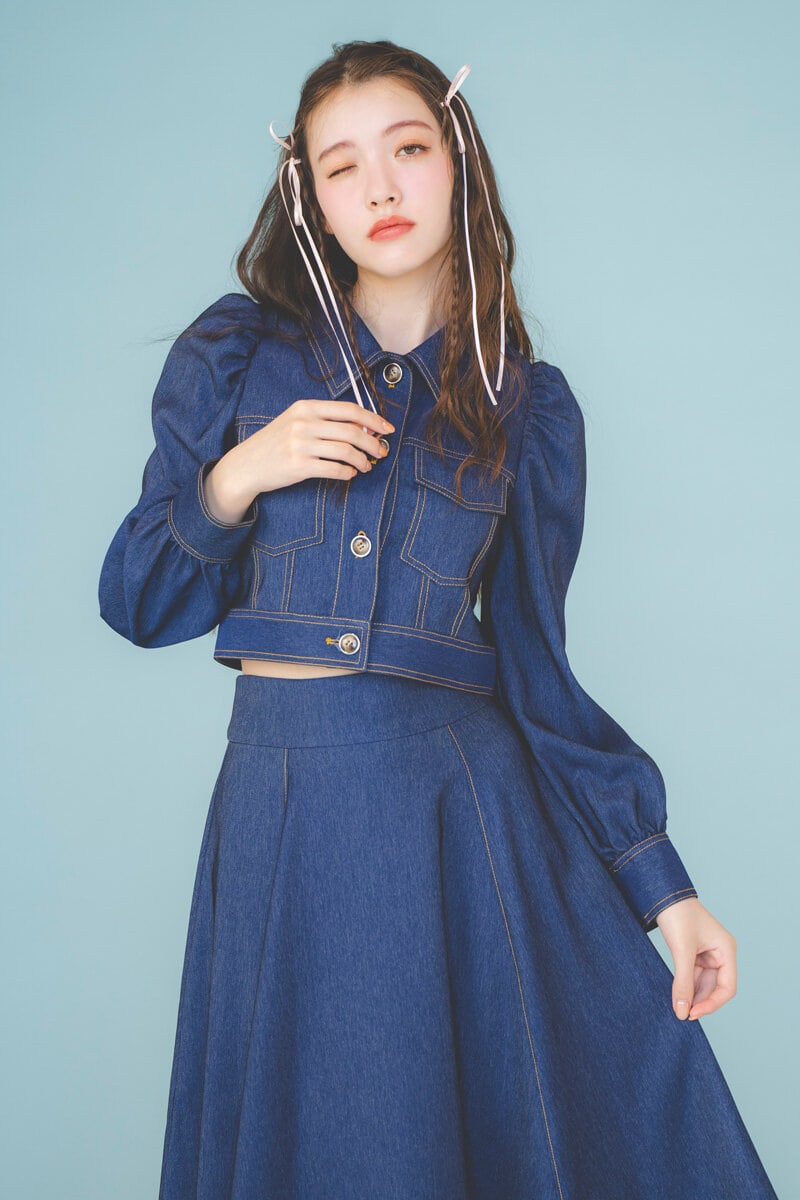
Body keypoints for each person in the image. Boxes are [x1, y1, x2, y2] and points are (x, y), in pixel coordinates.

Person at [98, 38, 778, 1200]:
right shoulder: (239, 356)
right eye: (340, 166)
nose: (378, 186)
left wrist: (662, 889)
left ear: (456, 160)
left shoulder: (526, 406)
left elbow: (538, 671)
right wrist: (241, 473)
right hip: (279, 803)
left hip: (459, 809)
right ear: (307, 195)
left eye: (407, 149)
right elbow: (137, 602)